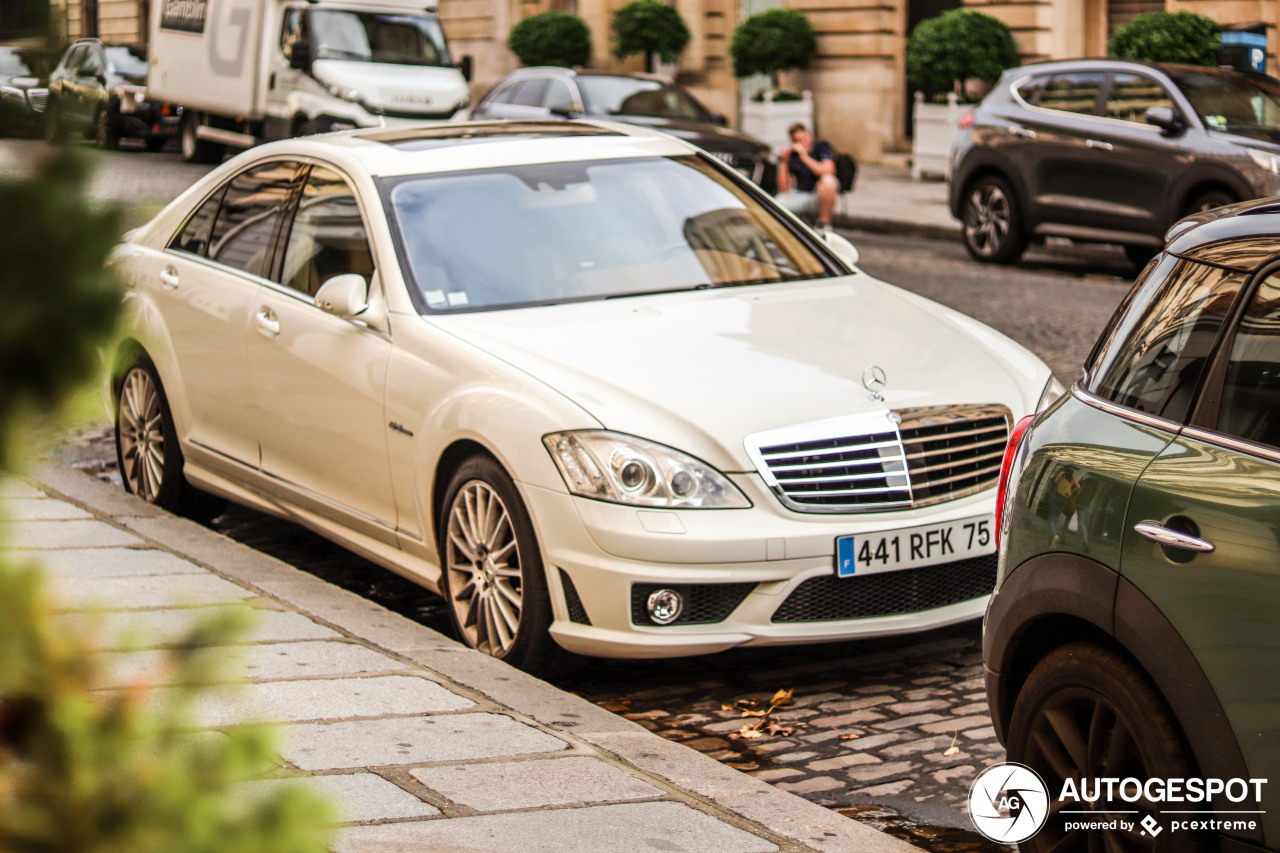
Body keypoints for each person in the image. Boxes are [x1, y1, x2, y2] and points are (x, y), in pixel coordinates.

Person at [776, 122, 839, 233]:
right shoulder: (793, 156)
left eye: (804, 139)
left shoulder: (821, 147)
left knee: (829, 181)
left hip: (820, 196)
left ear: (809, 136)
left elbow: (829, 170)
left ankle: (824, 225)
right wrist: (783, 162)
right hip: (801, 194)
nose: (802, 143)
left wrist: (805, 157)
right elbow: (784, 188)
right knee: (776, 203)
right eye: (797, 141)